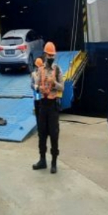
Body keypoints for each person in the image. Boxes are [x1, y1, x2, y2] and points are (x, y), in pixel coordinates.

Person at [32, 41, 63, 174]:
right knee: (42, 134)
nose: (51, 58)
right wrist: (39, 88)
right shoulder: (40, 70)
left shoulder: (57, 70)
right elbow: (34, 85)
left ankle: (54, 162)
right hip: (42, 106)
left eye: (52, 56)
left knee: (54, 134)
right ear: (45, 55)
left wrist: (54, 83)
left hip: (52, 106)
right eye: (49, 55)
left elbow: (62, 87)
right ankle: (42, 160)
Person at [32, 57, 44, 130]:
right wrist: (34, 86)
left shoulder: (43, 74)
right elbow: (31, 84)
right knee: (37, 114)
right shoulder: (33, 74)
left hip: (42, 97)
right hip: (36, 97)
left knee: (42, 114)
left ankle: (43, 128)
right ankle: (40, 128)